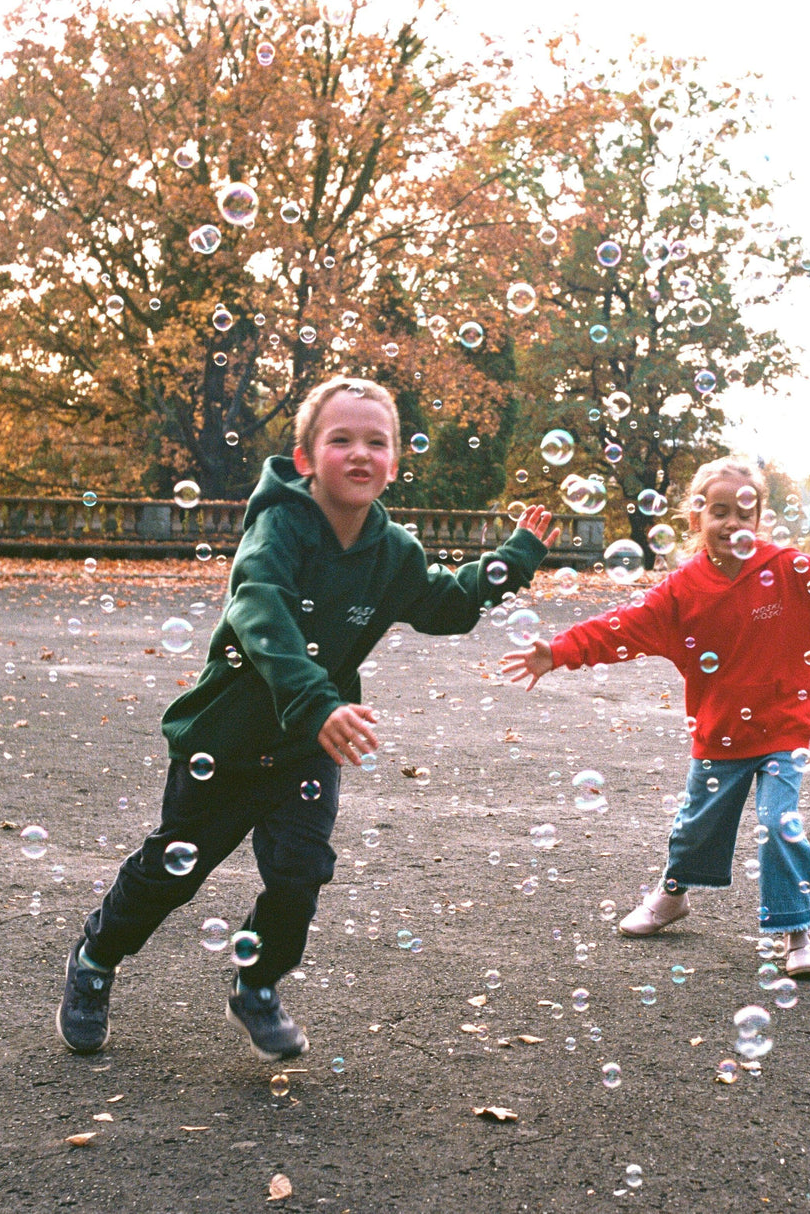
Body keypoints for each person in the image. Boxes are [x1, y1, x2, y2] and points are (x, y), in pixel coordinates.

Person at [57, 376, 561, 1060]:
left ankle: (257, 985)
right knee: (173, 872)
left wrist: (512, 560)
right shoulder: (278, 529)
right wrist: (316, 700)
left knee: (299, 874)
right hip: (227, 740)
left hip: (306, 747)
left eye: (376, 441)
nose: (361, 452)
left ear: (393, 462)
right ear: (305, 460)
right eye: (341, 439)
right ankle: (95, 958)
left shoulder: (394, 553)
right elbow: (258, 608)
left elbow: (444, 605)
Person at [502, 455, 810, 978]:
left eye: (743, 512)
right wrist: (555, 652)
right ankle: (673, 896)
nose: (731, 522)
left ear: (758, 522)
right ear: (696, 520)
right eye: (718, 511)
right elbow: (619, 626)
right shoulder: (680, 591)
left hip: (783, 728)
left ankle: (798, 928)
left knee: (780, 822)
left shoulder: (788, 571)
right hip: (720, 734)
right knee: (696, 829)